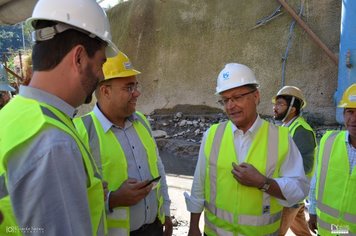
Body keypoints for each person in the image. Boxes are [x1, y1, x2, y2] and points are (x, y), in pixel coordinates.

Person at [0, 0, 119, 235]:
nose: (102, 75)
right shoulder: (54, 143)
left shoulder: (13, 114)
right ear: (79, 58)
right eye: (101, 63)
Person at [184, 63, 309, 236]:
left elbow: (299, 189)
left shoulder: (280, 138)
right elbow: (199, 183)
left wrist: (263, 183)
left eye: (237, 97)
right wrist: (193, 227)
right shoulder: (212, 135)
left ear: (256, 96)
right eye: (225, 100)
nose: (230, 106)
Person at [74, 51, 173, 236]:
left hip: (154, 228)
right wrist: (112, 199)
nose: (137, 92)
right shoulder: (81, 132)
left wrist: (166, 212)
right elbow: (69, 199)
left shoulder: (142, 121)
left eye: (136, 85)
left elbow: (158, 168)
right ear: (105, 91)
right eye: (128, 87)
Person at [308, 84, 356, 235]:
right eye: (350, 112)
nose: (354, 119)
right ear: (343, 115)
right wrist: (312, 211)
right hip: (327, 230)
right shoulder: (328, 141)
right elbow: (317, 180)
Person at [272, 86, 317, 236]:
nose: (275, 108)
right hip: (291, 192)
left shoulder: (302, 131)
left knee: (275, 232)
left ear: (292, 108)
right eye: (275, 104)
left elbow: (306, 166)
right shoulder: (286, 127)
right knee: (303, 233)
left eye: (280, 104)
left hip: (291, 195)